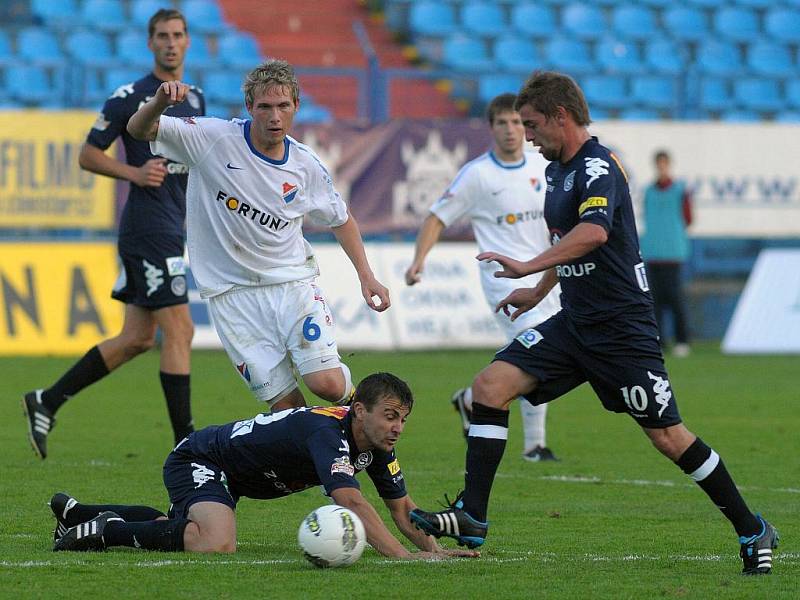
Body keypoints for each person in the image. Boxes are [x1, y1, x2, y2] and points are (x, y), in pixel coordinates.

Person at [408, 71, 778, 576]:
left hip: (622, 330)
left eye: (534, 125)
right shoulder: (558, 170)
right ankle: (473, 516)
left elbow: (593, 234)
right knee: (489, 387)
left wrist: (529, 266)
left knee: (668, 437)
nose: (529, 135)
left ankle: (753, 528)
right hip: (574, 321)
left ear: (562, 117)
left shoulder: (599, 167)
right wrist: (538, 291)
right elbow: (569, 241)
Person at [125, 60, 389, 412]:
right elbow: (138, 130)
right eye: (265, 107)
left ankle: (364, 423)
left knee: (326, 385)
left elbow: (341, 219)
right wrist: (158, 102)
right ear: (249, 108)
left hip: (292, 285)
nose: (274, 116)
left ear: (296, 106)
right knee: (288, 411)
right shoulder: (213, 137)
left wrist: (366, 275)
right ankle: (328, 461)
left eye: (283, 106)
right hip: (232, 296)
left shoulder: (306, 165)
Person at [22, 9, 203, 459]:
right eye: (162, 35)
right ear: (149, 42)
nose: (170, 42)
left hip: (172, 228)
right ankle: (187, 445)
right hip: (147, 230)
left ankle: (48, 400)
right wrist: (133, 173)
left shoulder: (196, 99)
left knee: (139, 338)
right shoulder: (129, 96)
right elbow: (87, 154)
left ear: (188, 42)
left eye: (178, 35)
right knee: (180, 330)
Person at [51, 373, 478, 561]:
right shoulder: (327, 431)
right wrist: (402, 557)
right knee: (215, 543)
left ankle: (78, 514)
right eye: (390, 415)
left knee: (183, 529)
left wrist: (435, 551)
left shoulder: (377, 444)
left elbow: (403, 511)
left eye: (403, 418)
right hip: (201, 458)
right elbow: (349, 500)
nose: (397, 427)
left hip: (234, 475)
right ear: (359, 409)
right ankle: (106, 532)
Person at [404, 93, 561, 462]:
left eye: (517, 123)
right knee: (537, 351)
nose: (511, 130)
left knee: (546, 356)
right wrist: (419, 261)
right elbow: (436, 217)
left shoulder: (542, 165)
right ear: (491, 128)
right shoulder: (477, 174)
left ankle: (472, 400)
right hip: (503, 280)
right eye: (503, 123)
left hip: (544, 277)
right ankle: (535, 446)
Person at [640, 150, 692, 358]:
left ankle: (682, 340)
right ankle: (660, 340)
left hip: (672, 252)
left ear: (668, 165)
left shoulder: (680, 190)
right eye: (658, 164)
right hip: (653, 251)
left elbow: (688, 218)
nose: (661, 167)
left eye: (664, 164)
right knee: (656, 301)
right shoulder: (649, 191)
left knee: (676, 299)